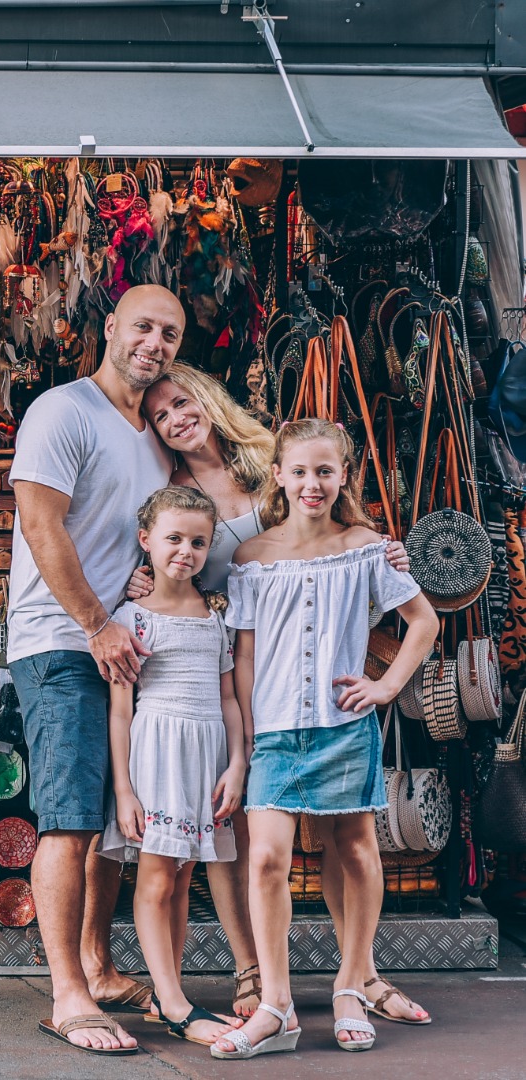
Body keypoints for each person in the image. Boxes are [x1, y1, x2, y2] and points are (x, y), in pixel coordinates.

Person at [132, 365, 424, 1023]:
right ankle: (260, 981)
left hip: (321, 700)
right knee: (242, 845)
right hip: (242, 698)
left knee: (343, 844)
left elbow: (340, 522)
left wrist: (385, 560)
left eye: (182, 402)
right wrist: (136, 585)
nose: (175, 418)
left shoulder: (267, 455)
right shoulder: (173, 490)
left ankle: (358, 977)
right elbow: (174, 557)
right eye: (159, 415)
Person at [211, 419, 438, 1060]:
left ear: (343, 477)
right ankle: (277, 1006)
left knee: (359, 850)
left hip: (344, 726)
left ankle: (349, 986)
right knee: (264, 857)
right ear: (278, 475)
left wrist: (385, 686)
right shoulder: (251, 559)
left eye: (325, 471)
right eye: (301, 471)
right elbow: (246, 652)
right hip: (277, 732)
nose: (312, 483)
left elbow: (420, 622)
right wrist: (251, 732)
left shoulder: (365, 547)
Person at [8, 283, 182, 1055]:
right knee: (70, 820)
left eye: (170, 335)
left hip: (119, 641)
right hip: (62, 642)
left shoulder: (150, 437)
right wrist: (96, 621)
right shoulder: (61, 410)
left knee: (114, 827)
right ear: (109, 328)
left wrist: (138, 590)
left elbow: (136, 540)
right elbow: (40, 525)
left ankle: (100, 966)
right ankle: (67, 994)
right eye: (142, 326)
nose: (154, 342)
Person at [99, 486, 245, 1047]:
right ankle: (177, 1004)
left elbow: (229, 699)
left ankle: (167, 993)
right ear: (147, 542)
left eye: (198, 541)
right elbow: (120, 712)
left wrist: (236, 764)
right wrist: (126, 790)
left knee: (184, 876)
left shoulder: (216, 616)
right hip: (157, 752)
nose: (185, 550)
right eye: (174, 539)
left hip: (205, 756)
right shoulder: (132, 618)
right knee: (157, 876)